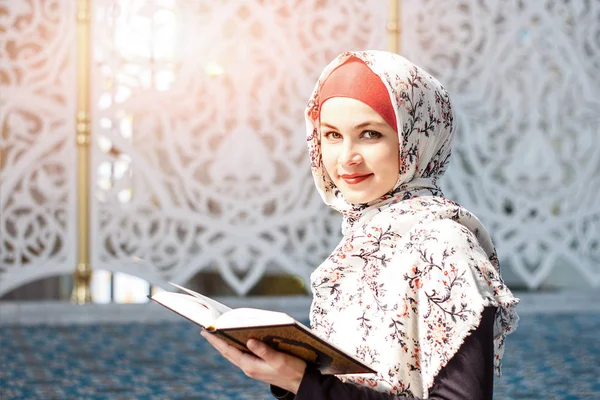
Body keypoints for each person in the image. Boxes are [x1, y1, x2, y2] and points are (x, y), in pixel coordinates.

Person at [201, 50, 519, 399]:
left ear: (416, 139)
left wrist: (303, 382)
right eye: (332, 135)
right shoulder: (366, 233)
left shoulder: (445, 245)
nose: (346, 157)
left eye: (369, 134)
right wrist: (287, 369)